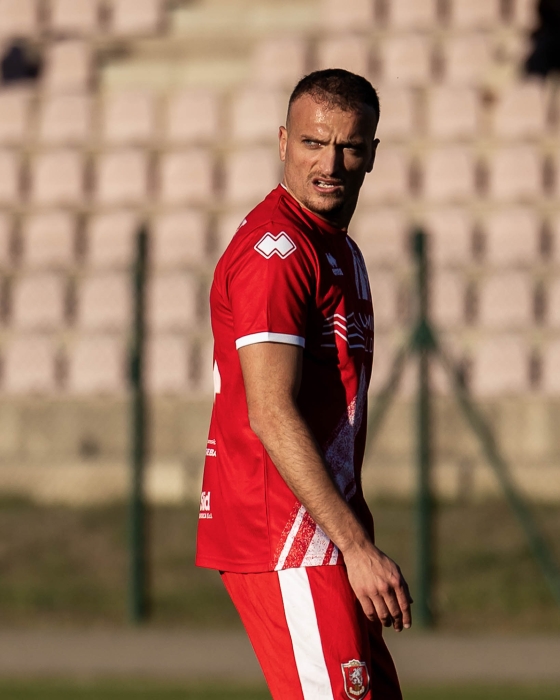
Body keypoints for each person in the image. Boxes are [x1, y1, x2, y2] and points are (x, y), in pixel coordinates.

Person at [196, 68, 412, 700]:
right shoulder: (278, 253)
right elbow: (270, 411)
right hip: (285, 534)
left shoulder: (338, 250)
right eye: (314, 143)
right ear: (283, 141)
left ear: (372, 153)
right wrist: (356, 546)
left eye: (349, 146)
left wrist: (352, 539)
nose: (330, 164)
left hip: (325, 533)